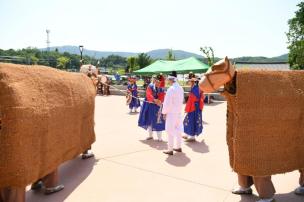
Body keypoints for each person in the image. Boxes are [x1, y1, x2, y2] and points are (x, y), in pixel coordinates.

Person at [162, 71, 184, 155]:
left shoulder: (171, 89)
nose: (168, 81)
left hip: (171, 113)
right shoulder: (180, 88)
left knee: (169, 131)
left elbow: (168, 103)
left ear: (171, 80)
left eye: (168, 79)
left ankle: (170, 149)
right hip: (178, 112)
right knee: (178, 130)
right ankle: (178, 147)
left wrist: (164, 112)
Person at [138, 75, 165, 141]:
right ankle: (150, 135)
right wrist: (154, 100)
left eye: (159, 82)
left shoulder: (161, 88)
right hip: (149, 105)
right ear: (154, 81)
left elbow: (162, 95)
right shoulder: (150, 86)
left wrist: (160, 100)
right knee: (149, 120)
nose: (158, 83)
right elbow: (148, 94)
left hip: (157, 106)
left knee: (158, 120)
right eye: (157, 81)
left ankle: (159, 137)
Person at [183, 73, 204, 142]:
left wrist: (187, 108)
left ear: (193, 82)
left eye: (190, 81)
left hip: (193, 107)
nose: (188, 82)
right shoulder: (197, 87)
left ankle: (192, 136)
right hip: (196, 107)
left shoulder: (195, 88)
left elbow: (191, 100)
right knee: (189, 120)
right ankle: (187, 134)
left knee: (191, 120)